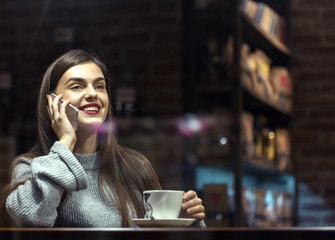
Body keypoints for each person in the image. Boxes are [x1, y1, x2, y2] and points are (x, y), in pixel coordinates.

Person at [0, 49, 206, 228]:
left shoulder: (135, 166)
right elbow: (31, 218)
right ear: (52, 103)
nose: (93, 94)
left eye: (99, 86)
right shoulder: (30, 167)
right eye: (77, 86)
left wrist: (185, 221)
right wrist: (65, 142)